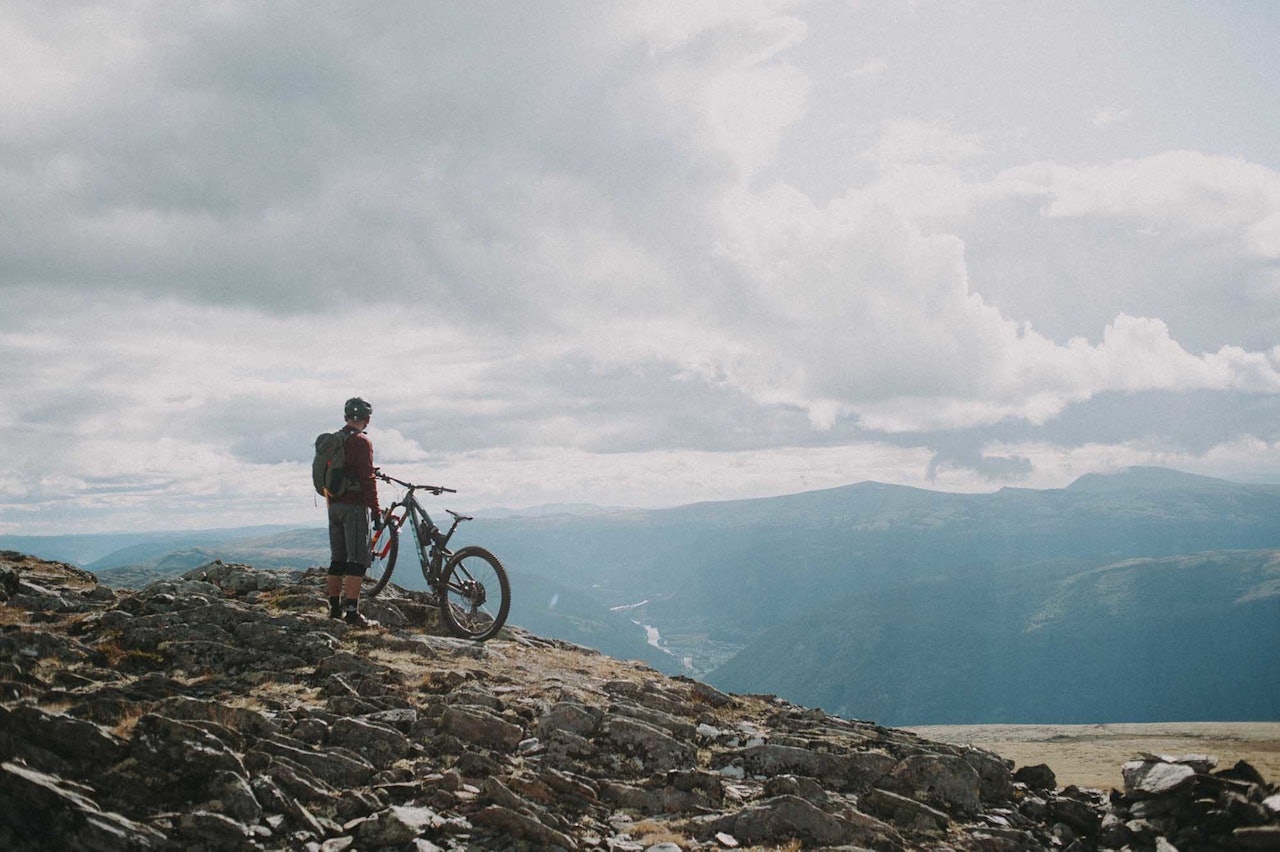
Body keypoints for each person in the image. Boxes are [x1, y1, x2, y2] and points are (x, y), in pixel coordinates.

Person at [326, 396, 381, 625]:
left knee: (337, 559)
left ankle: (334, 609)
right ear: (367, 420)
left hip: (334, 505)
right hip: (355, 508)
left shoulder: (335, 440)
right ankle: (352, 613)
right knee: (357, 560)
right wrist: (376, 511)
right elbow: (367, 479)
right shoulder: (361, 442)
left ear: (346, 417)